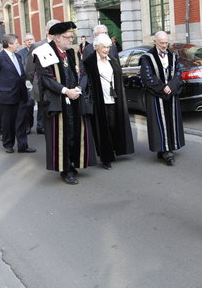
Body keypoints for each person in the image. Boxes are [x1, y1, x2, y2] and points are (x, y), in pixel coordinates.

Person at [35, 21, 96, 184]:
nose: (71, 40)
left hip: (75, 99)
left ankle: (75, 162)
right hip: (57, 101)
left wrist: (78, 88)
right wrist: (65, 91)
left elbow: (83, 73)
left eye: (72, 37)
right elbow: (46, 79)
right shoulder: (43, 53)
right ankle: (65, 169)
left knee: (75, 132)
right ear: (57, 37)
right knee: (62, 135)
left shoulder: (72, 53)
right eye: (68, 37)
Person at [83, 33, 134, 169]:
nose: (106, 50)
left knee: (113, 124)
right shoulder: (89, 62)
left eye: (108, 47)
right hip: (98, 100)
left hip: (113, 98)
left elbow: (118, 77)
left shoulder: (112, 60)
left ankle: (115, 149)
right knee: (102, 128)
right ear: (96, 47)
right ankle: (106, 157)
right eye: (104, 47)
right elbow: (84, 80)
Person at [139, 31, 185, 166]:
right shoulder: (147, 58)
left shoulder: (173, 56)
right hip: (155, 95)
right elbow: (147, 76)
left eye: (166, 42)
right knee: (160, 122)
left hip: (171, 94)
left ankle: (169, 146)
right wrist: (162, 87)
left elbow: (178, 74)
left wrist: (171, 86)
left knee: (171, 121)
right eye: (162, 43)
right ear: (155, 42)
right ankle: (165, 150)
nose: (165, 46)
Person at [0, 34, 36, 154]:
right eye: (16, 43)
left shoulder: (18, 56)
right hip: (6, 96)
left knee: (21, 121)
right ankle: (8, 144)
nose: (18, 44)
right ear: (9, 44)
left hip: (20, 94)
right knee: (8, 122)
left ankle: (23, 145)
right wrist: (2, 89)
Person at [25, 20, 61, 134]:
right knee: (42, 107)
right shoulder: (37, 45)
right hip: (41, 83)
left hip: (58, 83)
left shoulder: (61, 45)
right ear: (47, 31)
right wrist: (37, 82)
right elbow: (30, 69)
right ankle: (41, 126)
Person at [17, 33, 36, 134]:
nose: (29, 41)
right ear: (24, 42)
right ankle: (28, 124)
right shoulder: (20, 53)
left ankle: (39, 125)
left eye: (31, 39)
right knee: (29, 104)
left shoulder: (39, 50)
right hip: (27, 82)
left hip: (37, 81)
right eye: (27, 40)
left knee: (40, 105)